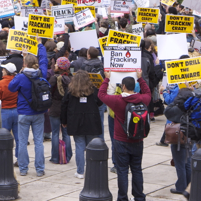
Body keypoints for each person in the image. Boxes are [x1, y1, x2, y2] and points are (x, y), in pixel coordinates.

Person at [98, 69, 150, 201]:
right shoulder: (142, 99)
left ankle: (122, 197)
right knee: (137, 169)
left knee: (122, 170)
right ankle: (139, 196)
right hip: (137, 140)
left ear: (124, 87)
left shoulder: (117, 100)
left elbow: (101, 94)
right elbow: (148, 93)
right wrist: (141, 79)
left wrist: (107, 79)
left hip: (121, 140)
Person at [8, 37, 48, 177]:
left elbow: (11, 87)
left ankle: (23, 169)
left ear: (24, 63)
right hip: (38, 112)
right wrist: (40, 45)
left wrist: (19, 72)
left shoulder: (21, 77)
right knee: (38, 142)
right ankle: (40, 169)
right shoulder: (41, 73)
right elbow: (44, 60)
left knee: (23, 142)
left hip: (24, 112)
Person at [61, 70, 103, 178]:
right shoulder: (93, 90)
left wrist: (64, 121)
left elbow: (64, 106)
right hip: (91, 121)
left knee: (79, 146)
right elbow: (100, 102)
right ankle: (91, 169)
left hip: (76, 121)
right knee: (91, 146)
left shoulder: (70, 91)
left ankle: (80, 171)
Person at [0, 62, 19, 165]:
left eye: (3, 69)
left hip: (4, 112)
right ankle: (20, 159)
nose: (2, 71)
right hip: (17, 111)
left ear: (7, 71)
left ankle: (4, 160)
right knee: (19, 138)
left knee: (3, 138)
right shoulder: (17, 81)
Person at [48, 57, 72, 165]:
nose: (55, 66)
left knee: (55, 133)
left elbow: (49, 92)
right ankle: (67, 155)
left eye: (57, 64)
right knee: (66, 133)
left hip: (55, 107)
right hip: (66, 108)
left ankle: (55, 157)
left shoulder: (54, 78)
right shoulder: (71, 79)